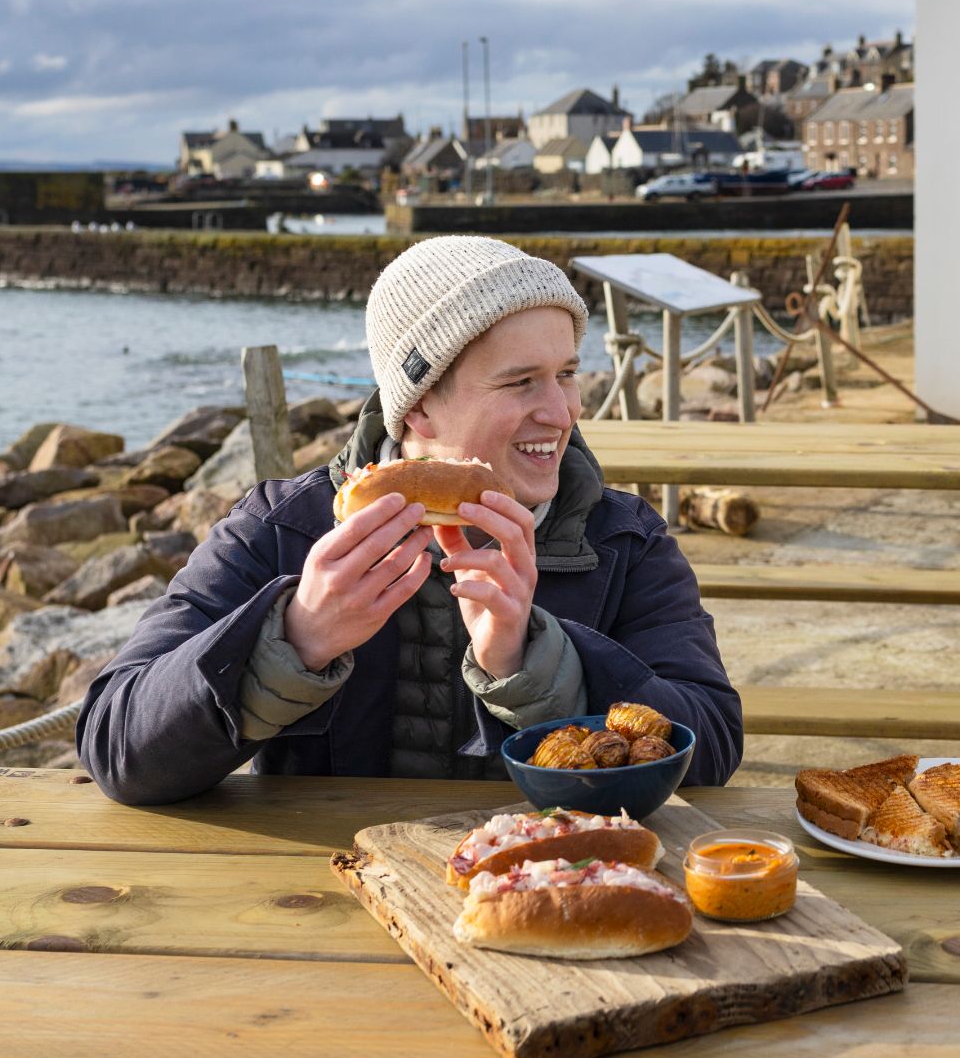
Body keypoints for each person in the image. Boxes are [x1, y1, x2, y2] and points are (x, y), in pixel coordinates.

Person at [78, 237, 742, 803]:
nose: (563, 410)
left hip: (550, 896)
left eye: (567, 373)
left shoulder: (625, 541)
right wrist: (294, 639)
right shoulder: (282, 528)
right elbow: (116, 746)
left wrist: (535, 662)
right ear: (418, 408)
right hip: (316, 910)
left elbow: (711, 748)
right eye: (521, 382)